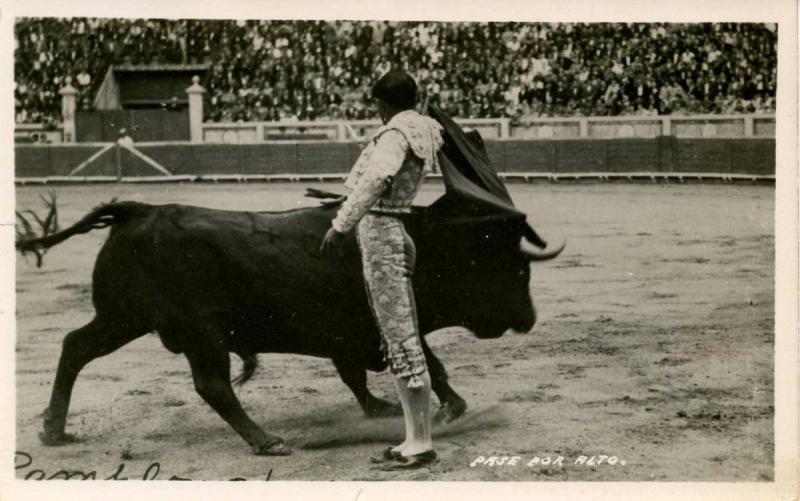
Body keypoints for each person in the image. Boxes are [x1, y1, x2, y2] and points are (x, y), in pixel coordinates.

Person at [321, 69, 443, 470]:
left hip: (380, 232)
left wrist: (341, 225)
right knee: (400, 336)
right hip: (396, 226)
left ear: (381, 103)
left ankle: (421, 443)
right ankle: (412, 437)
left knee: (400, 339)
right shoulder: (425, 128)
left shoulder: (394, 134)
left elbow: (377, 178)